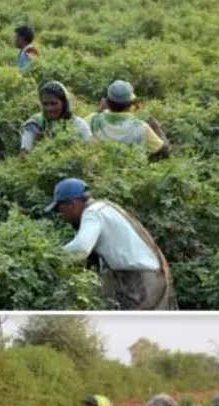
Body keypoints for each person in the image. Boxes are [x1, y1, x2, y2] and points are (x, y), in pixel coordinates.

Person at [45, 178, 177, 310]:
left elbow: (80, 248)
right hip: (147, 276)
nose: (61, 215)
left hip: (140, 280)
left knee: (141, 326)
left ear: (72, 204)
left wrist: (52, 258)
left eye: (60, 209)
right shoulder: (105, 208)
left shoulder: (93, 213)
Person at [87, 80, 170, 158]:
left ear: (107, 102)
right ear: (130, 104)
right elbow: (164, 151)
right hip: (132, 170)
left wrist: (99, 110)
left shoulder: (93, 119)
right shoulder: (141, 126)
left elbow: (78, 129)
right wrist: (156, 128)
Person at [21, 80, 92, 152]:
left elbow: (91, 151)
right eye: (45, 104)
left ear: (64, 103)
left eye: (53, 103)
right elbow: (24, 154)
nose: (49, 108)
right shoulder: (35, 124)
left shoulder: (78, 124)